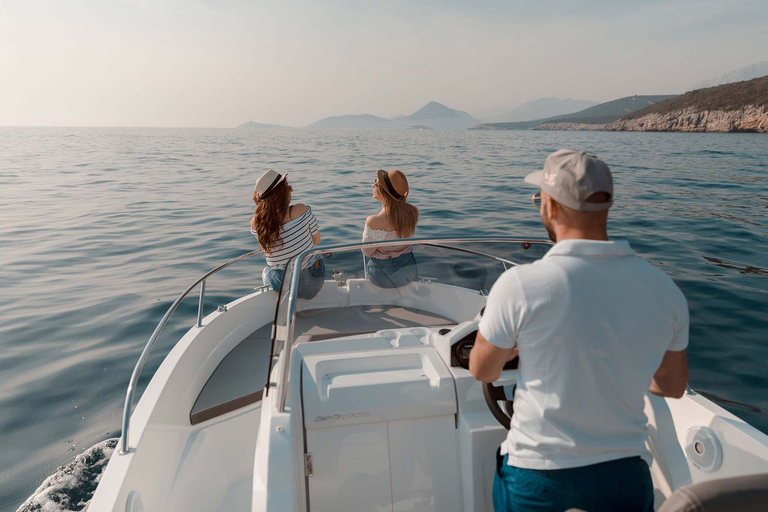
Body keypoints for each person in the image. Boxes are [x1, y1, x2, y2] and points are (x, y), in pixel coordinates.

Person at [469, 149, 689, 512]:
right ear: (606, 207)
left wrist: (514, 348)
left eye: (540, 198)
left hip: (538, 479)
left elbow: (483, 369)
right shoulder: (666, 290)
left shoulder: (520, 285)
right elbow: (671, 386)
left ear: (551, 207)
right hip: (625, 480)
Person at [250, 170, 325, 299]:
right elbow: (316, 240)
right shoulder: (301, 210)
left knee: (267, 271)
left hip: (285, 285)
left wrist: (261, 209)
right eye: (288, 187)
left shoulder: (257, 223)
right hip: (314, 281)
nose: (292, 190)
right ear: (281, 193)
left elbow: (266, 250)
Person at [362, 169, 419, 288]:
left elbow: (367, 252)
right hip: (408, 272)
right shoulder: (412, 213)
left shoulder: (374, 221)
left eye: (376, 183)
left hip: (381, 277)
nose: (373, 185)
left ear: (384, 192)